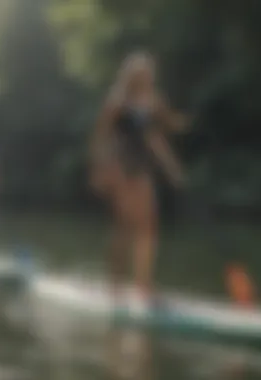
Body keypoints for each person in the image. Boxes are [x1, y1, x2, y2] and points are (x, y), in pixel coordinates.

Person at [90, 51, 188, 313]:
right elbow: (101, 137)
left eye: (150, 72)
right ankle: (115, 285)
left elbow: (155, 136)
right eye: (143, 73)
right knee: (125, 225)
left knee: (149, 225)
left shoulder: (153, 101)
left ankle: (143, 286)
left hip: (142, 168)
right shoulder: (117, 102)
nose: (148, 77)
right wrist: (100, 170)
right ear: (131, 75)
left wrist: (172, 167)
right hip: (120, 166)